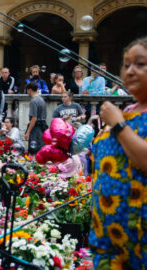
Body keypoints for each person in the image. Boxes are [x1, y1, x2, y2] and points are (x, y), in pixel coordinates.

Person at [90, 36, 147, 270]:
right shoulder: (127, 111)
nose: (130, 71)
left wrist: (118, 124)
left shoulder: (119, 117)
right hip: (107, 241)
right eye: (126, 65)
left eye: (140, 64)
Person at [24, 82, 47, 154]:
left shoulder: (33, 101)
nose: (27, 92)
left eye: (27, 90)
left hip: (36, 127)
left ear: (30, 90)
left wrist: (28, 132)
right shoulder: (41, 99)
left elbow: (34, 118)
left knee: (34, 150)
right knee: (41, 146)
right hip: (43, 126)